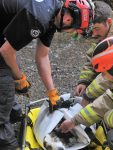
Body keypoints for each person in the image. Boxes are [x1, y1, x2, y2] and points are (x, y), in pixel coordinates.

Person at [0, 0, 94, 149]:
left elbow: (42, 56)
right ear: (68, 20)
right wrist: (19, 78)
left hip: (3, 34)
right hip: (3, 45)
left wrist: (52, 92)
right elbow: (6, 51)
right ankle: (7, 142)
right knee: (4, 80)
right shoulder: (39, 18)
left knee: (11, 67)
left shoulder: (54, 15)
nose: (72, 34)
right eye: (74, 31)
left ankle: (12, 113)